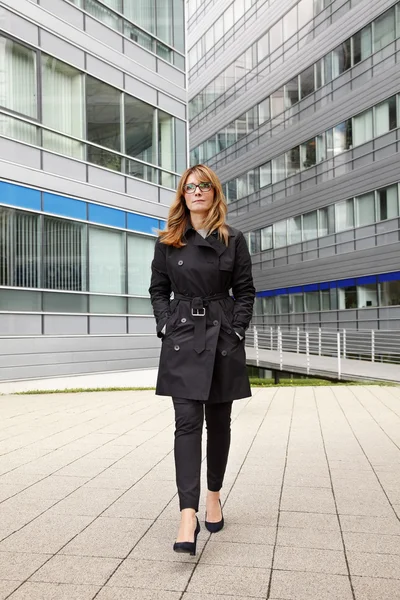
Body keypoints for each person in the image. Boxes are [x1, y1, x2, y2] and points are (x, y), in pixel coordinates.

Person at [149, 164, 255, 556]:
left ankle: (214, 495)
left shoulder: (234, 239)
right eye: (190, 186)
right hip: (182, 339)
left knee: (220, 423)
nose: (196, 191)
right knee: (186, 425)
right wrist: (165, 324)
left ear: (214, 193)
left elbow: (245, 291)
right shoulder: (169, 241)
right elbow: (158, 289)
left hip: (222, 337)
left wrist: (237, 328)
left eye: (204, 186)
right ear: (183, 194)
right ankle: (187, 514)